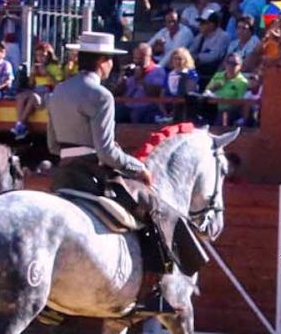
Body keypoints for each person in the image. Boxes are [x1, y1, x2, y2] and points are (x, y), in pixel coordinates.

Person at [45, 31, 207, 289]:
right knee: (154, 206)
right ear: (102, 62)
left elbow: (53, 145)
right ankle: (158, 288)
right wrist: (137, 166)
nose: (112, 65)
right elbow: (106, 152)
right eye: (110, 59)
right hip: (92, 174)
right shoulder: (100, 95)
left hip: (64, 174)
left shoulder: (58, 92)